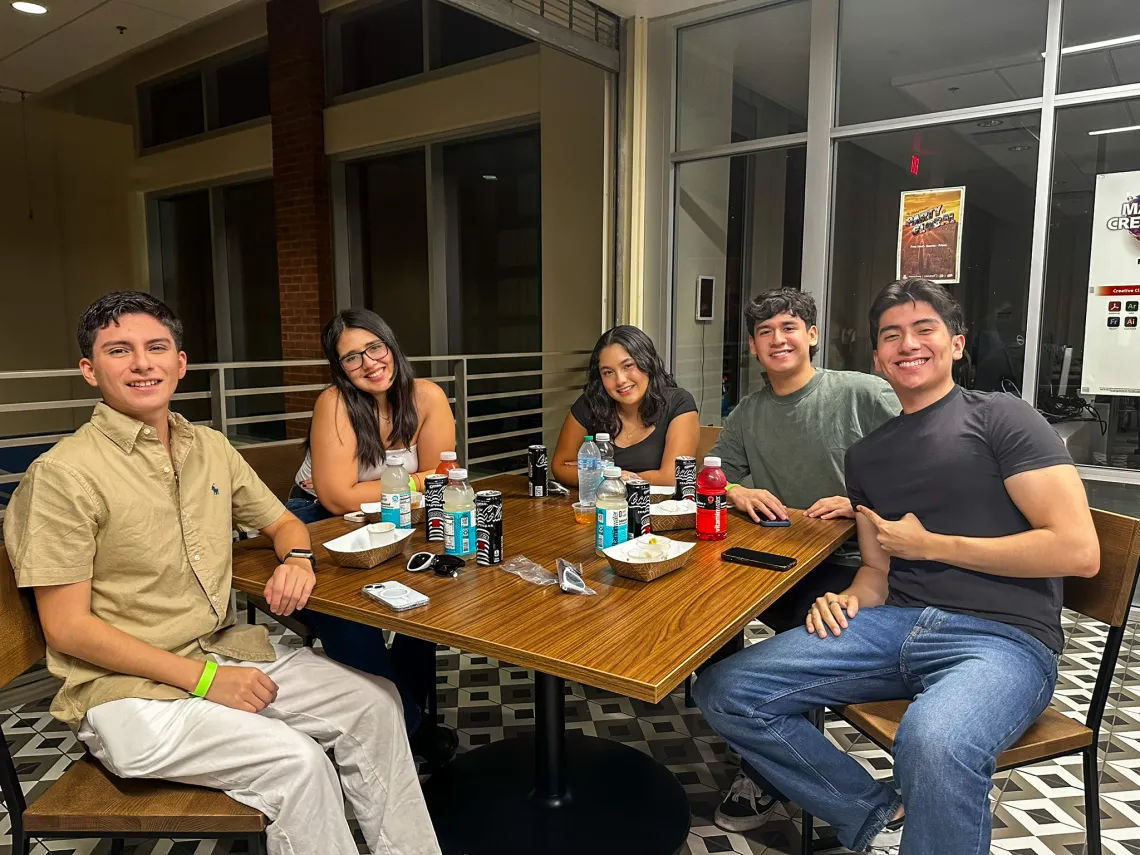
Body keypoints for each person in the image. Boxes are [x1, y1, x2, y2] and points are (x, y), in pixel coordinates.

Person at [2, 292, 440, 855]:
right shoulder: (62, 476)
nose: (142, 363)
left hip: (220, 648)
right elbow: (67, 629)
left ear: (180, 364)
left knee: (376, 705)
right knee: (297, 761)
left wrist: (298, 559)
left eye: (157, 347)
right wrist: (207, 682)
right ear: (90, 370)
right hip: (128, 696)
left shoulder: (208, 446)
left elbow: (284, 521)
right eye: (119, 350)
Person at [695, 278, 1099, 855]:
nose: (908, 344)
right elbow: (877, 572)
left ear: (957, 343)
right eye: (892, 335)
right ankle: (871, 807)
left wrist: (932, 545)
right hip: (897, 626)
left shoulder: (1002, 417)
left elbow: (1078, 551)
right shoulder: (869, 455)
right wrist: (851, 598)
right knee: (727, 686)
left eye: (924, 329)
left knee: (932, 739)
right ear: (878, 355)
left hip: (1006, 639)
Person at [704, 288, 900, 832]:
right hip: (778, 558)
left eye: (788, 327)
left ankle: (766, 770)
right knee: (708, 619)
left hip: (856, 567)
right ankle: (754, 732)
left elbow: (918, 454)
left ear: (811, 334)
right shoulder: (748, 412)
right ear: (753, 346)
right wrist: (738, 492)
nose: (777, 340)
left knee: (795, 643)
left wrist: (862, 499)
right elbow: (717, 472)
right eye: (765, 332)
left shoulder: (860, 392)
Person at [286, 308, 456, 761]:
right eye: (351, 358)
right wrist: (414, 480)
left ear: (390, 344)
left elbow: (441, 474)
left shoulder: (427, 396)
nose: (369, 363)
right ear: (339, 369)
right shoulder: (335, 403)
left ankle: (398, 718)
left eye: (374, 348)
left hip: (400, 515)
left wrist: (412, 484)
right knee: (345, 608)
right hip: (317, 517)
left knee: (431, 595)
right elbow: (339, 497)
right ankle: (409, 727)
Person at [551, 325, 698, 487]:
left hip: (657, 509)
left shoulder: (679, 403)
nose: (620, 380)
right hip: (602, 507)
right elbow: (560, 468)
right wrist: (620, 475)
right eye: (608, 372)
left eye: (628, 366)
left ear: (647, 363)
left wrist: (605, 475)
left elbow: (672, 479)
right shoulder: (590, 404)